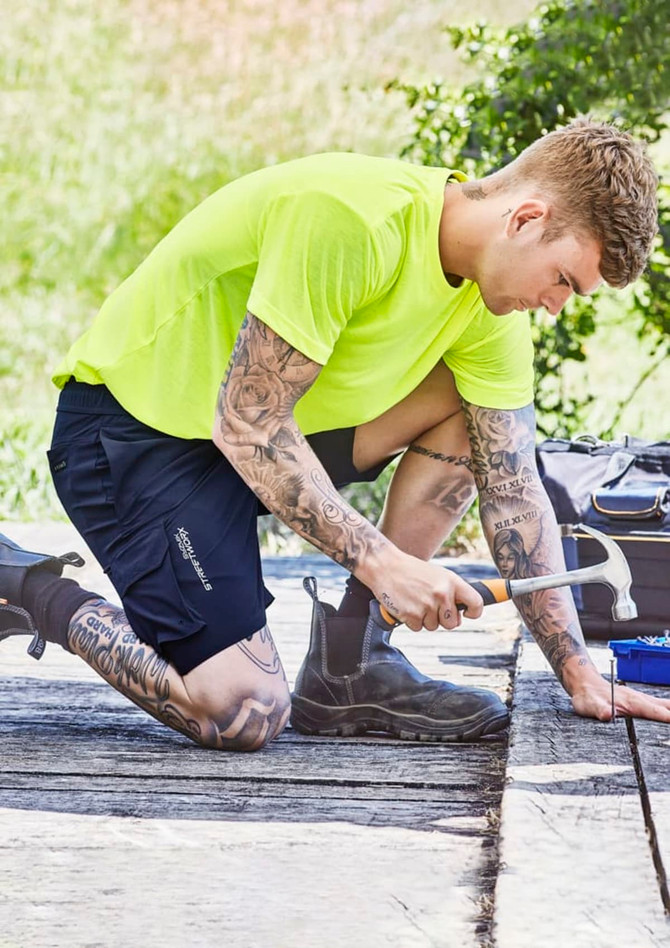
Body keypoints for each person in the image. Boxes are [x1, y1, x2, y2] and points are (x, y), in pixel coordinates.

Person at [2, 118, 669, 752]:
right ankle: (27, 587)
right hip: (130, 435)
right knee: (239, 712)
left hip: (255, 440)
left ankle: (350, 661)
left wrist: (579, 671)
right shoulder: (352, 219)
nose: (555, 305)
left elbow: (515, 489)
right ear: (526, 219)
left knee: (481, 419)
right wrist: (384, 565)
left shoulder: (491, 310)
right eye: (562, 280)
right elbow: (247, 421)